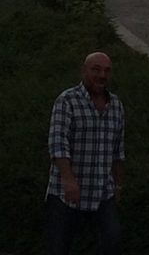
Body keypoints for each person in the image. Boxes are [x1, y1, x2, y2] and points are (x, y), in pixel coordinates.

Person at [46, 51, 124, 255]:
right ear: (83, 71)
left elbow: (118, 149)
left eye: (106, 71)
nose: (102, 75)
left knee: (112, 240)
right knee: (59, 247)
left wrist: (118, 184)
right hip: (68, 193)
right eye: (96, 69)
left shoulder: (116, 105)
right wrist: (68, 179)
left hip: (102, 191)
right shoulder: (67, 101)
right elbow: (57, 143)